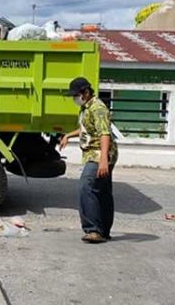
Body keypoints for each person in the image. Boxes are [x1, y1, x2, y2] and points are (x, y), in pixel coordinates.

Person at [59, 77, 118, 244]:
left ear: (86, 92)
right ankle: (103, 231)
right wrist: (68, 135)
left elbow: (104, 133)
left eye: (76, 95)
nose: (74, 99)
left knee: (86, 186)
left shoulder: (98, 108)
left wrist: (103, 160)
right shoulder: (87, 108)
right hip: (96, 153)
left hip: (99, 154)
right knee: (102, 192)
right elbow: (86, 128)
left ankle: (93, 229)